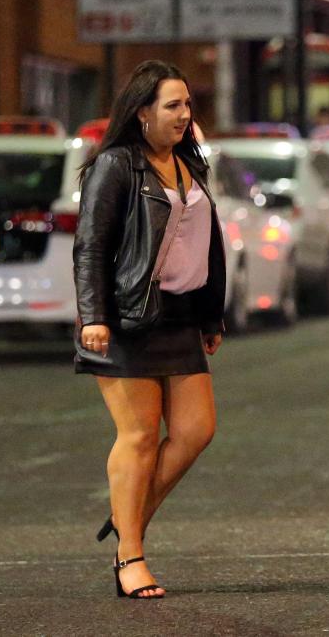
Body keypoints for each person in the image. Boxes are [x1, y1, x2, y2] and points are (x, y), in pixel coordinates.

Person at [73, 60, 227, 599]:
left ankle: (125, 516)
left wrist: (211, 314)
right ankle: (130, 555)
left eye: (188, 104)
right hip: (126, 316)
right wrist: (93, 316)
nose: (185, 115)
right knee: (138, 436)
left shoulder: (188, 164)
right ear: (142, 112)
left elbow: (204, 244)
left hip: (182, 316)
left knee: (196, 431)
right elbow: (91, 244)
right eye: (172, 105)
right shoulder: (116, 165)